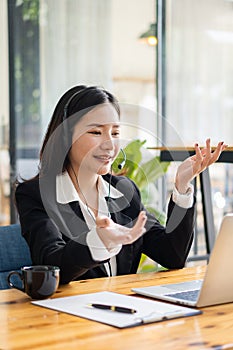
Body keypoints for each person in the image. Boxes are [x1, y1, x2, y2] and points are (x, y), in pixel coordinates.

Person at [15, 85, 227, 284]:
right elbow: (53, 264)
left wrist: (181, 185)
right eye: (96, 132)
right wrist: (97, 240)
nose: (109, 144)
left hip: (122, 312)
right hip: (69, 316)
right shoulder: (36, 195)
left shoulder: (124, 191)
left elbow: (173, 255)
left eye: (115, 133)